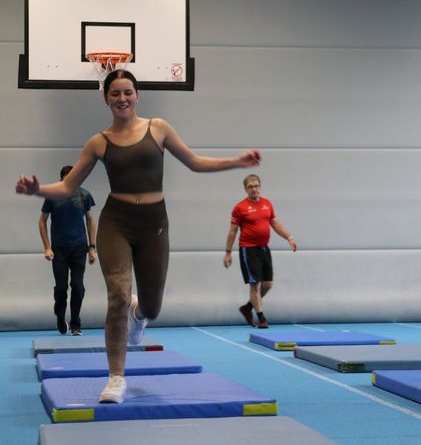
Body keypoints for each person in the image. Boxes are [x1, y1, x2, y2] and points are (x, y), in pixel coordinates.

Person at [17, 69, 260, 404]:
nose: (122, 99)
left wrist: (236, 161)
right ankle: (116, 377)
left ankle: (139, 314)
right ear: (106, 99)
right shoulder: (99, 142)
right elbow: (68, 186)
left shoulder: (158, 128)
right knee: (118, 294)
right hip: (116, 223)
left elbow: (194, 162)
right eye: (115, 93)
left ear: (137, 95)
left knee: (152, 306)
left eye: (127, 92)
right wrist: (37, 190)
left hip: (154, 225)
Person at [223, 174, 297, 329]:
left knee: (268, 284)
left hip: (264, 249)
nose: (254, 189)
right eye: (250, 186)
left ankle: (247, 308)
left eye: (256, 186)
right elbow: (232, 231)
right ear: (245, 189)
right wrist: (228, 252)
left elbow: (275, 223)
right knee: (254, 285)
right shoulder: (240, 207)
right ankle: (261, 317)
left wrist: (289, 237)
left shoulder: (267, 204)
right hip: (248, 249)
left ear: (260, 187)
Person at [39, 165, 96, 336]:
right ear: (61, 179)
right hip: (59, 250)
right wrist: (47, 247)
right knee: (61, 287)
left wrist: (92, 247)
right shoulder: (52, 196)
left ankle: (75, 324)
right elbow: (42, 222)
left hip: (79, 248)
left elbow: (90, 220)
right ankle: (60, 315)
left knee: (78, 286)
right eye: (67, 178)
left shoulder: (84, 194)